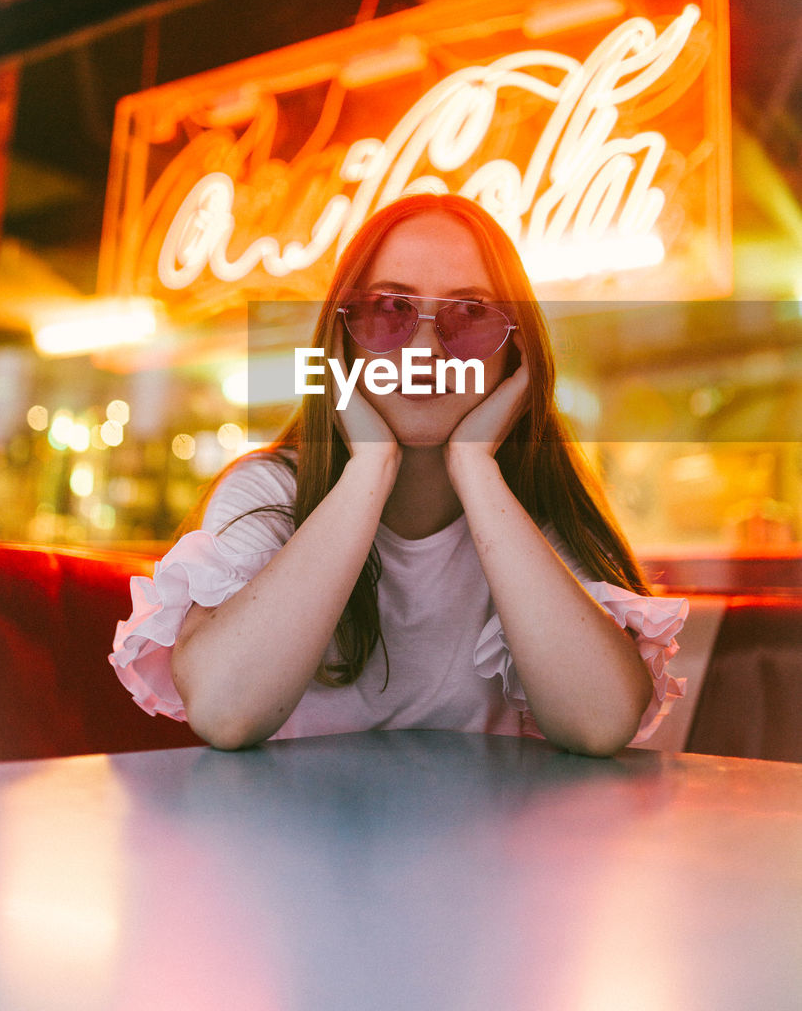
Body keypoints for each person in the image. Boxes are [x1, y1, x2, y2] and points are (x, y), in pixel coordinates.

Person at [110, 193, 687, 755]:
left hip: (492, 849)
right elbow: (224, 711)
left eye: (471, 314)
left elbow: (600, 723)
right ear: (339, 343)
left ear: (517, 355)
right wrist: (371, 464)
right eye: (390, 309)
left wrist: (474, 465)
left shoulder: (533, 509)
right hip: (290, 848)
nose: (428, 349)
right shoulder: (267, 489)